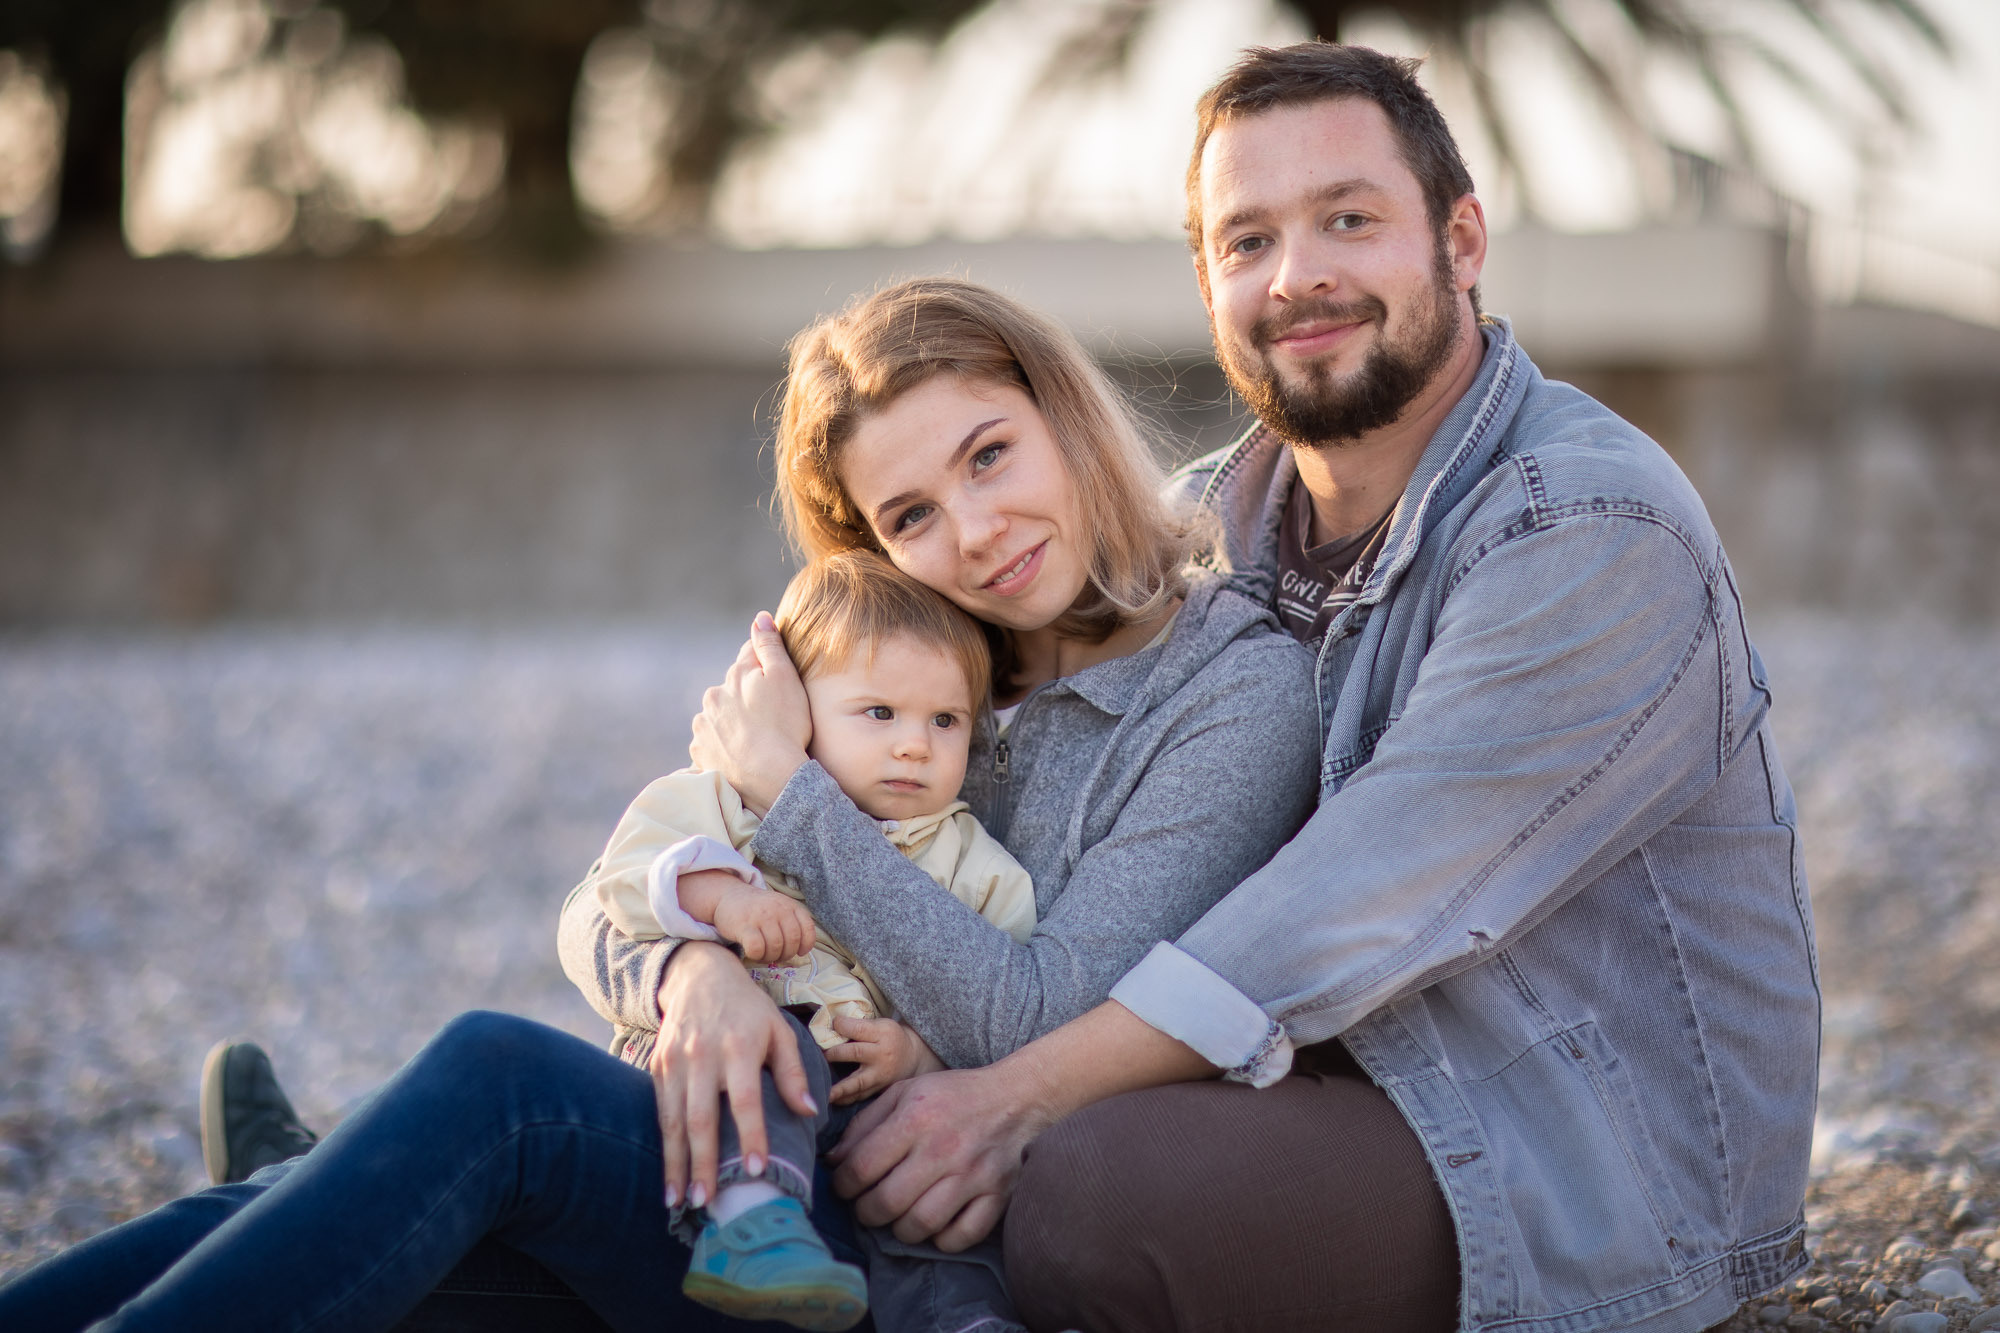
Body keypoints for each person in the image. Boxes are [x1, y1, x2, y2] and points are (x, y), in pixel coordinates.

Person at [693, 42, 1818, 1333]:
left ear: (1461, 238)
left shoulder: (1586, 529)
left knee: (1085, 1199)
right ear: (1207, 281)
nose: (1299, 277)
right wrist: (712, 962)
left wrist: (1016, 1095)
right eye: (1248, 240)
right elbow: (834, 784)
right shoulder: (1210, 531)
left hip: (1566, 1150)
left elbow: (1355, 903)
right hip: (1308, 1078)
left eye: (1348, 218)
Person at [0, 276, 1323, 1333]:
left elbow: (1041, 1015)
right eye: (911, 514)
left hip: (924, 1254)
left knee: (497, 1088)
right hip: (757, 1187)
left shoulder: (1229, 689)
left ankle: (304, 1165)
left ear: (1063, 416)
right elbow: (607, 895)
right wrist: (693, 972)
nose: (972, 534)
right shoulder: (913, 673)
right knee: (395, 1241)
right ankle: (294, 1177)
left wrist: (795, 798)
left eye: (990, 455)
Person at [585, 547, 1039, 1331]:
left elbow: (1007, 1007)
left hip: (876, 1111)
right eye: (879, 713)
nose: (914, 745)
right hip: (742, 1059)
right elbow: (623, 877)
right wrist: (720, 897)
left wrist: (920, 1056)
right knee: (770, 1049)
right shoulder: (729, 801)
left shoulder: (973, 861)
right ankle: (749, 1219)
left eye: (945, 720)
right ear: (795, 711)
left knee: (937, 1218)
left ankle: (961, 1319)